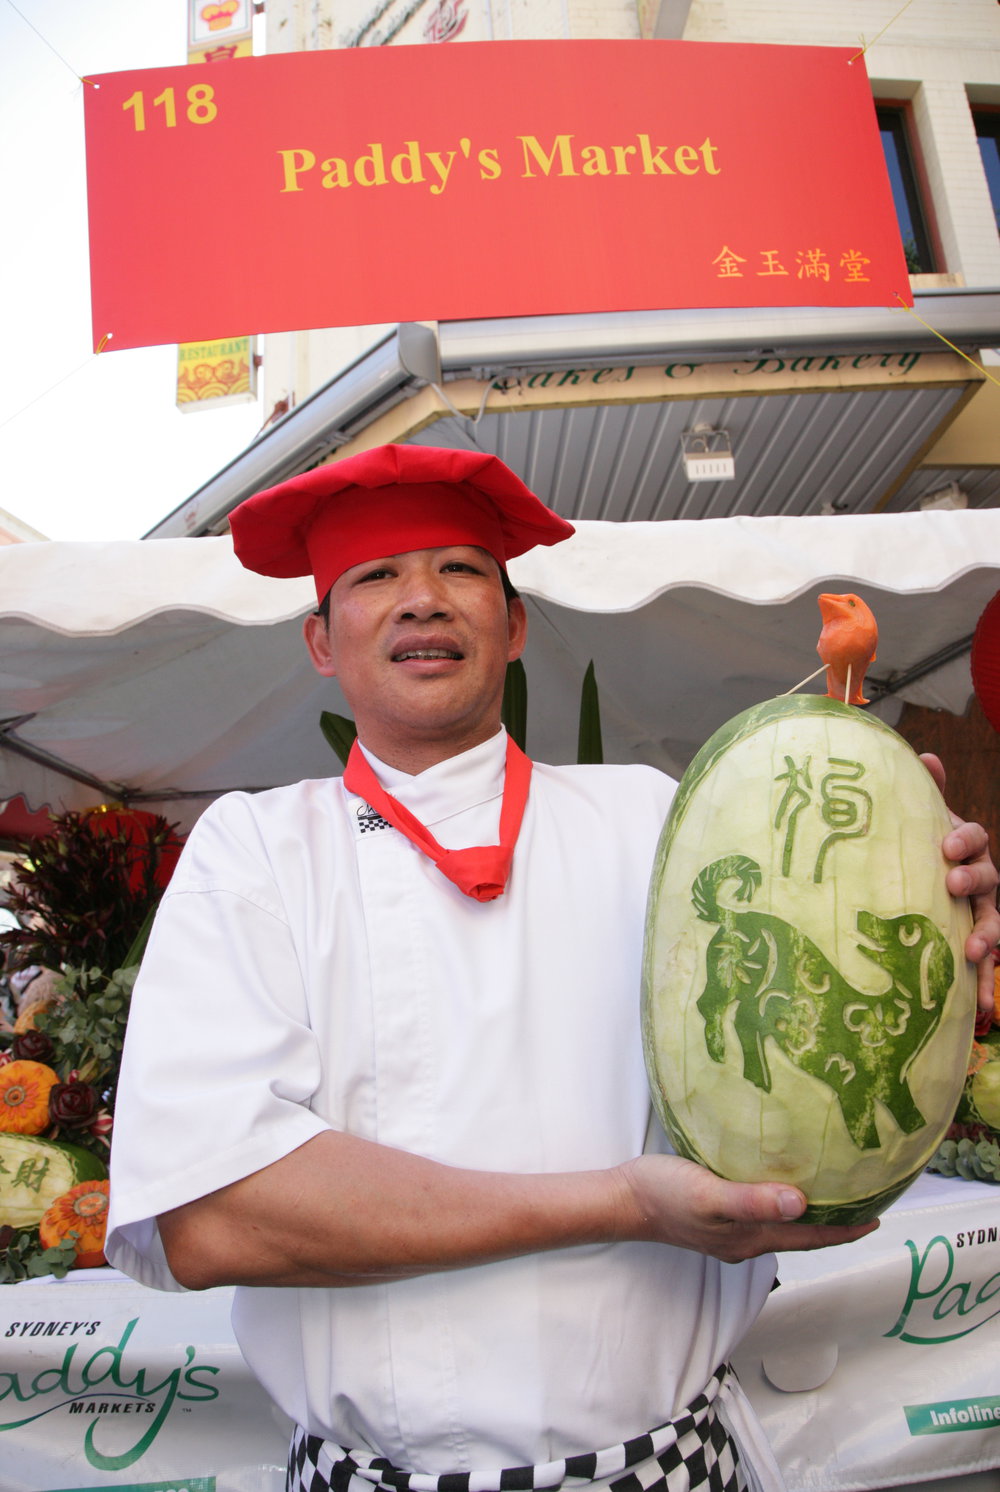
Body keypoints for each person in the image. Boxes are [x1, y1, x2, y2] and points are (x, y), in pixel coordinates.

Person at [106, 444, 1000, 1492]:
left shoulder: (658, 817)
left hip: (665, 1463)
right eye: (377, 576)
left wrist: (908, 881)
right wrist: (623, 1204)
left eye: (461, 570)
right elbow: (212, 1218)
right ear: (319, 639)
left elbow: (817, 1132)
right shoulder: (254, 850)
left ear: (515, 623)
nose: (423, 601)